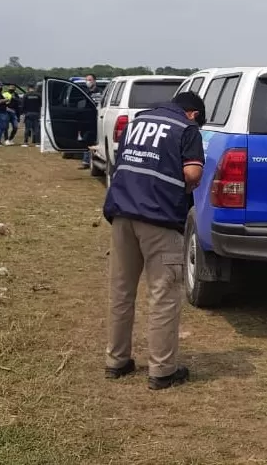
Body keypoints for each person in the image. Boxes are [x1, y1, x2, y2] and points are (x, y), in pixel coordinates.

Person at [101, 91, 206, 390]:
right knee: (163, 294)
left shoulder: (138, 121)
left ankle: (116, 361)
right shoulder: (187, 130)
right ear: (194, 114)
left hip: (122, 213)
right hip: (159, 219)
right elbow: (191, 172)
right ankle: (162, 370)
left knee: (121, 291)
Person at [79, 74, 103, 170]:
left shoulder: (101, 92)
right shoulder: (85, 92)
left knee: (98, 142)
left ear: (94, 81)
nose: (88, 82)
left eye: (90, 80)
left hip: (100, 120)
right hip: (88, 121)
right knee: (87, 141)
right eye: (86, 80)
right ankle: (86, 161)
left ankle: (95, 160)